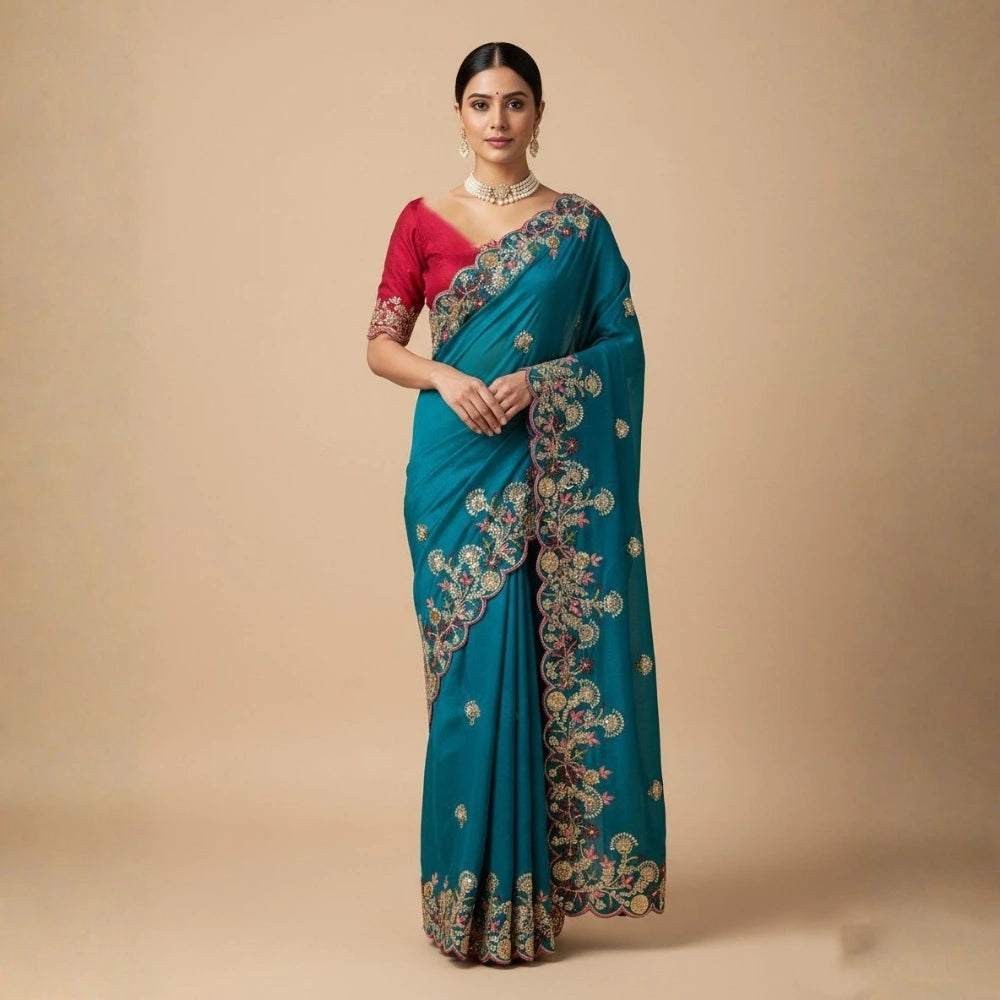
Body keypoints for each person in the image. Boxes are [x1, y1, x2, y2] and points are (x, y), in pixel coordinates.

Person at [366, 41, 667, 964]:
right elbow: (380, 345)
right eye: (480, 102)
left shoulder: (580, 229)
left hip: (541, 466)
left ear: (538, 114)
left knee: (526, 665)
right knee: (468, 678)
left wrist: (542, 381)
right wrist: (446, 377)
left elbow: (622, 347)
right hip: (452, 467)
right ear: (457, 113)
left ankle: (525, 906)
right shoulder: (421, 220)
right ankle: (463, 903)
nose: (497, 120)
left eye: (515, 102)